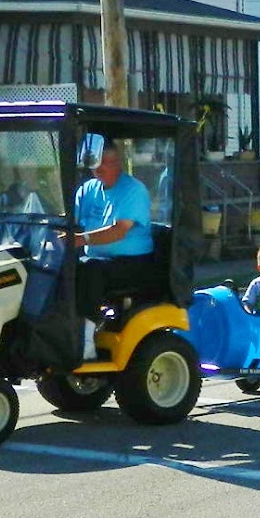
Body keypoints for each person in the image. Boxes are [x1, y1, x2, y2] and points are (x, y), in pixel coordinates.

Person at [73, 139, 156, 356]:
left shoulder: (134, 190)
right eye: (96, 163)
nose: (99, 168)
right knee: (61, 268)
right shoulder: (88, 190)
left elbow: (119, 230)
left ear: (118, 162)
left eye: (105, 163)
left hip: (133, 264)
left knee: (89, 270)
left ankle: (86, 341)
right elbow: (70, 220)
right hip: (97, 260)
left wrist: (82, 239)